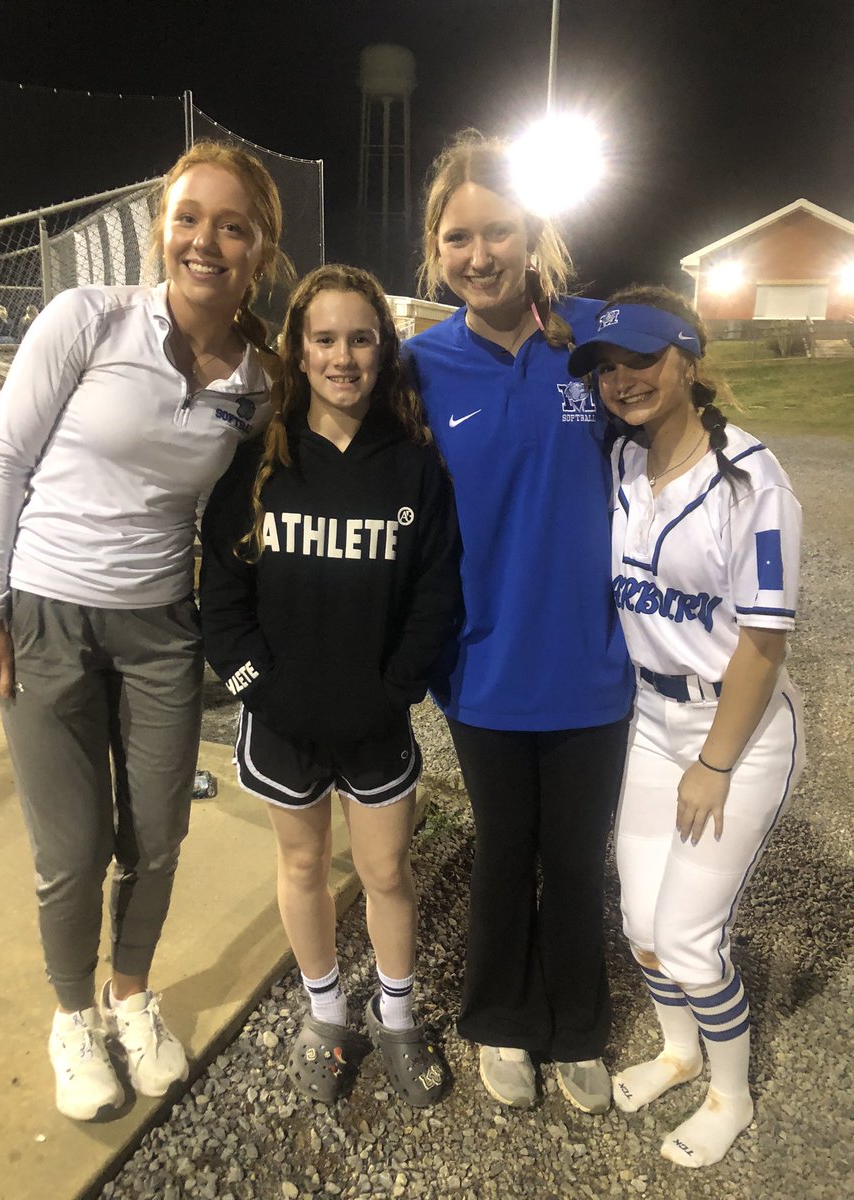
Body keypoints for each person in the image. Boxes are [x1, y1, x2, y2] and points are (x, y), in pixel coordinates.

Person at [0, 139, 290, 1121]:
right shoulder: (87, 318)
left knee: (157, 833)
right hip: (45, 619)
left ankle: (129, 996)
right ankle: (74, 1020)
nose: (206, 241)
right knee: (71, 847)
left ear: (260, 251)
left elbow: (279, 484)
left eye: (233, 226)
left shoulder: (258, 382)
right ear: (161, 230)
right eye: (189, 218)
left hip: (159, 632)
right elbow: (6, 459)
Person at [402, 131, 634, 1112]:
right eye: (458, 237)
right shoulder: (416, 367)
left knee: (579, 856)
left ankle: (578, 1023)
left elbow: (687, 416)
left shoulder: (594, 339)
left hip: (594, 664)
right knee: (504, 849)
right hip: (483, 666)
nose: (479, 254)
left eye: (497, 231)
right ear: (436, 249)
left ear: (533, 233)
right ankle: (500, 1018)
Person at [199, 264, 462, 1107]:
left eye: (360, 338)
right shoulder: (260, 461)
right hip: (284, 718)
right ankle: (325, 1015)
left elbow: (435, 590)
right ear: (298, 352)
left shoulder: (414, 466)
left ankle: (395, 1017)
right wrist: (260, 690)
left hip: (374, 718)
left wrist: (396, 686)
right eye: (324, 340)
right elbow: (221, 599)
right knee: (303, 862)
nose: (343, 356)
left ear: (385, 350)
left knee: (386, 873)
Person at [567, 285, 805, 1167]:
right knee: (638, 922)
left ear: (689, 359)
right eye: (605, 366)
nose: (622, 379)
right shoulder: (625, 461)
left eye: (642, 358)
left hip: (731, 735)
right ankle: (677, 1051)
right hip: (652, 720)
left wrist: (713, 761)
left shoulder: (752, 477)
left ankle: (730, 1093)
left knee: (691, 944)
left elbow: (765, 645)